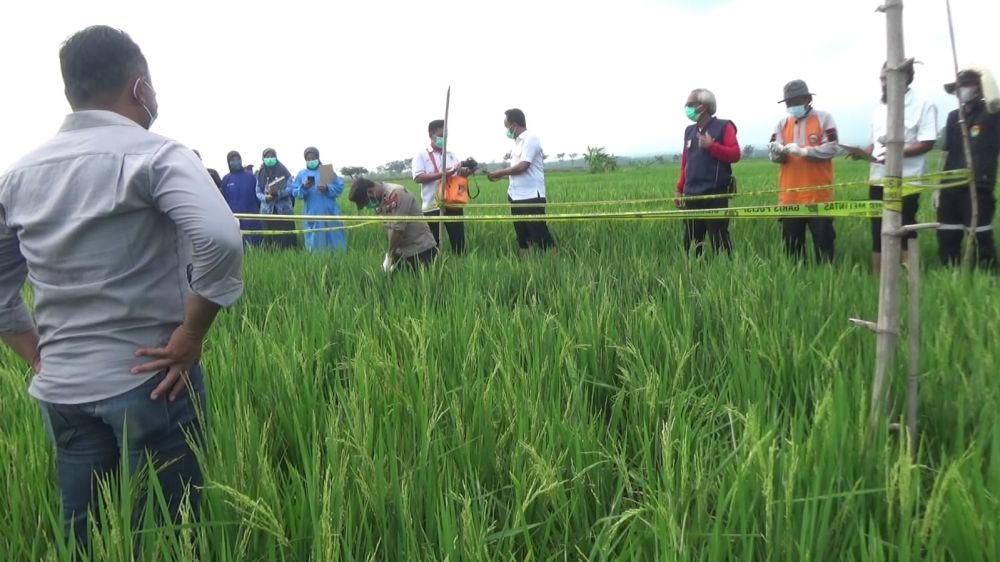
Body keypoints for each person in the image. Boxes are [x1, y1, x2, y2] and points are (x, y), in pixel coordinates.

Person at [0, 25, 244, 553]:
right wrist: (192, 334)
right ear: (140, 89)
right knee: (168, 532)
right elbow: (221, 237)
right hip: (152, 383)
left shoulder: (17, 176)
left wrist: (37, 354)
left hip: (62, 390)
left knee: (84, 537)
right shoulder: (155, 155)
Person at [850, 61, 938, 272]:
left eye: (886, 79)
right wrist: (862, 153)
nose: (882, 84)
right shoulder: (879, 108)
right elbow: (874, 143)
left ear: (905, 78)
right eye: (881, 79)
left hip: (906, 178)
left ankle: (909, 276)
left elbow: (927, 142)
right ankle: (878, 280)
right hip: (879, 177)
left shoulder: (923, 104)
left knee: (905, 226)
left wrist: (896, 154)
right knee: (877, 227)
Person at [768, 79, 839, 263]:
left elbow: (832, 147)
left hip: (818, 196)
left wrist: (805, 152)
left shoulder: (824, 118)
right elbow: (775, 153)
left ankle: (827, 282)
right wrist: (776, 153)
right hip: (790, 198)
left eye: (796, 101)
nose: (792, 106)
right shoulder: (782, 124)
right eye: (789, 103)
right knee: (793, 252)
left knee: (824, 248)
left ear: (807, 98)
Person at [937, 66, 1000, 268]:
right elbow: (945, 152)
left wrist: (985, 76)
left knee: (980, 238)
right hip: (950, 186)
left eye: (967, 86)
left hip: (977, 185)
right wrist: (938, 186)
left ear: (979, 88)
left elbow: (994, 101)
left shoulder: (992, 114)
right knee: (948, 236)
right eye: (959, 87)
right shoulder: (954, 117)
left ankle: (987, 280)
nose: (961, 90)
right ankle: (950, 277)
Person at [675, 88, 741, 256]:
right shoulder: (689, 131)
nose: (686, 108)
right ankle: (695, 273)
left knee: (720, 240)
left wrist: (712, 147)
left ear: (702, 107)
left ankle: (725, 273)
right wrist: (679, 189)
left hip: (715, 195)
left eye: (690, 104)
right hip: (692, 195)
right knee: (691, 242)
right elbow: (685, 163)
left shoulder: (724, 127)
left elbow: (735, 154)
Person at [487, 108, 556, 256]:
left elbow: (523, 166)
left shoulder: (531, 138)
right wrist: (501, 177)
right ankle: (527, 268)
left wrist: (501, 171)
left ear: (514, 124)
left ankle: (555, 267)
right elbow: (516, 173)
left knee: (540, 235)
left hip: (530, 196)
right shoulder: (516, 143)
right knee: (522, 237)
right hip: (515, 196)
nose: (506, 130)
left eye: (507, 126)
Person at [348, 178, 437, 270]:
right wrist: (392, 256)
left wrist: (389, 257)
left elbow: (397, 230)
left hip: (420, 250)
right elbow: (389, 227)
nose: (368, 206)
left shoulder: (396, 194)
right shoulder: (378, 200)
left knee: (421, 282)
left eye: (366, 203)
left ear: (370, 192)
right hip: (401, 251)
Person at [412, 119, 473, 254]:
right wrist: (442, 174)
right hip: (432, 206)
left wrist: (466, 172)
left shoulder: (451, 155)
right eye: (440, 136)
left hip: (453, 204)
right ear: (431, 135)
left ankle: (460, 266)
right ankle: (435, 269)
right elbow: (418, 177)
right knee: (432, 245)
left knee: (459, 243)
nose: (443, 139)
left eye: (445, 136)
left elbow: (458, 175)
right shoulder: (421, 155)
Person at [291, 146, 347, 252]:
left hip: (329, 212)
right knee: (315, 243)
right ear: (305, 160)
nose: (311, 160)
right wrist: (304, 188)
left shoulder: (325, 171)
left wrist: (327, 188)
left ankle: (338, 263)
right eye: (309, 159)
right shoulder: (302, 174)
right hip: (312, 213)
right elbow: (295, 193)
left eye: (313, 158)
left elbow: (339, 188)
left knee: (335, 241)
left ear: (318, 158)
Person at [256, 147, 297, 249]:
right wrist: (266, 198)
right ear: (263, 158)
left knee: (286, 237)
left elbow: (290, 188)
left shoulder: (283, 170)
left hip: (283, 210)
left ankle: (289, 255)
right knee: (270, 238)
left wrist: (278, 193)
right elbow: (257, 192)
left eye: (272, 156)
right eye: (267, 157)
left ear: (276, 157)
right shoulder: (261, 173)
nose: (270, 159)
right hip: (267, 211)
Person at [221, 150, 264, 246]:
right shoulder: (226, 179)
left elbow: (258, 195)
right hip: (234, 218)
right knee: (238, 245)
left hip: (252, 217)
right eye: (232, 160)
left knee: (256, 245)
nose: (235, 161)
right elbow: (223, 200)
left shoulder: (251, 177)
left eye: (237, 159)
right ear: (228, 162)